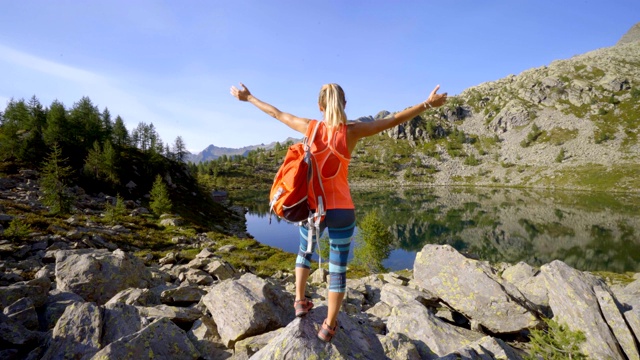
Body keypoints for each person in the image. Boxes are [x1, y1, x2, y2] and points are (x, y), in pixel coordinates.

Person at [230, 82, 447, 342]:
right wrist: (426, 104)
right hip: (342, 209)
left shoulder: (310, 128)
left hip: (313, 209)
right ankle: (329, 326)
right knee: (338, 269)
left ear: (320, 106)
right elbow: (393, 120)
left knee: (304, 252)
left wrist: (249, 97)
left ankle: (300, 301)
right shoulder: (353, 131)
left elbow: (277, 113)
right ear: (344, 104)